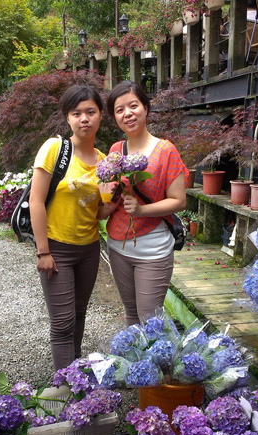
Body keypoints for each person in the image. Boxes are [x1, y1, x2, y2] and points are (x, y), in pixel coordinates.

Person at [29, 85, 118, 370]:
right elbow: (36, 201)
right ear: (67, 118)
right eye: (76, 113)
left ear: (100, 116)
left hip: (89, 249)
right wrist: (43, 251)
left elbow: (99, 212)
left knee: (79, 313)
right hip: (56, 247)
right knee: (62, 321)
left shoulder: (105, 162)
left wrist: (114, 199)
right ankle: (65, 385)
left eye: (90, 112)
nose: (84, 119)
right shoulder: (54, 149)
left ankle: (74, 371)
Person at [105, 81, 189, 326]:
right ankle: (134, 365)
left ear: (145, 108)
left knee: (150, 319)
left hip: (152, 249)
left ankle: (161, 364)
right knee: (131, 314)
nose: (127, 113)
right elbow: (110, 199)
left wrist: (142, 210)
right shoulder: (116, 150)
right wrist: (106, 193)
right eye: (119, 110)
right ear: (114, 117)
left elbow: (179, 201)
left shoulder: (166, 151)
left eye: (133, 105)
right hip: (117, 246)